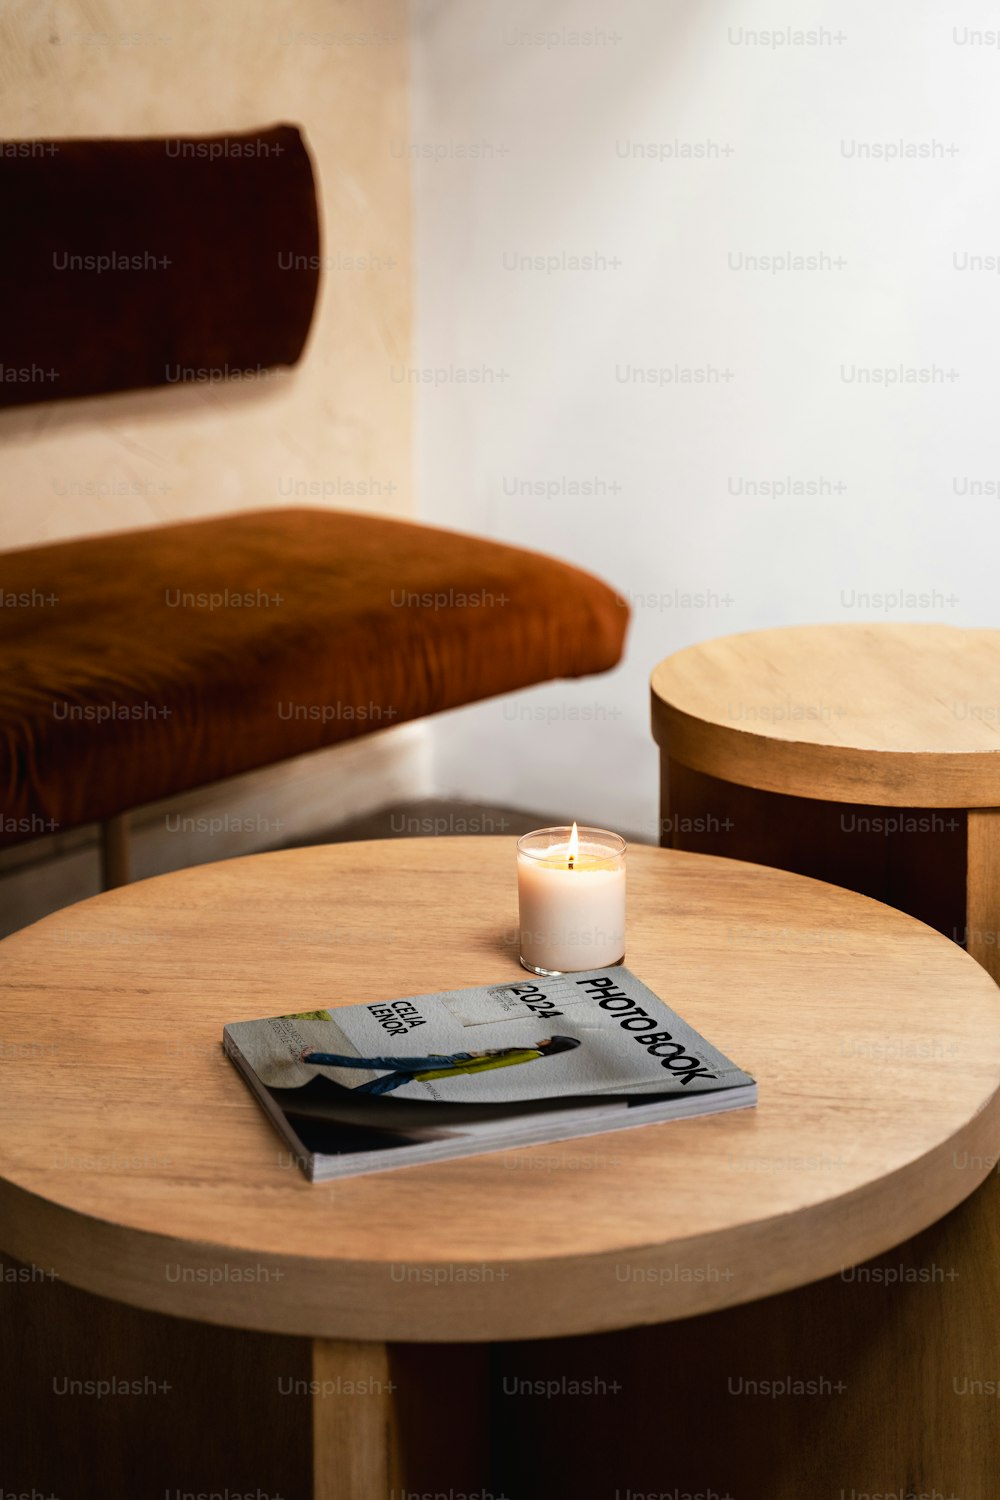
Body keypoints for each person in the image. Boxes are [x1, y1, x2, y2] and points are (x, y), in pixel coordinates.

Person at [300, 1035, 580, 1096]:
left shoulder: (532, 1054)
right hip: (454, 1062)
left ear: (552, 1045)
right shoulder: (532, 1053)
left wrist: (459, 1060)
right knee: (394, 1079)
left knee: (381, 1063)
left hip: (451, 1062)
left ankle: (312, 1057)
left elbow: (489, 1063)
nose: (544, 1038)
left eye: (550, 1039)